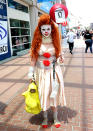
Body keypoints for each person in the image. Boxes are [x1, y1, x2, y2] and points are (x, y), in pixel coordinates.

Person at [28, 14, 66, 128]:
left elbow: (59, 56)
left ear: (52, 29)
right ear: (40, 29)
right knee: (43, 94)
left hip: (54, 72)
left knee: (53, 95)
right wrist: (30, 73)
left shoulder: (56, 41)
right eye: (43, 29)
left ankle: (55, 118)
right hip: (41, 73)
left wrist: (60, 58)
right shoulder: (36, 42)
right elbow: (33, 59)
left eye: (48, 29)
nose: (46, 31)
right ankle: (45, 118)